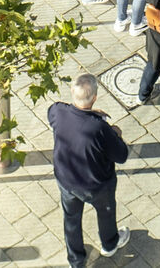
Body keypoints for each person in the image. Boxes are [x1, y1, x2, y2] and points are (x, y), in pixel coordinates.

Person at [47, 73, 130, 268]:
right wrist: (116, 133)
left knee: (71, 219)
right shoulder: (99, 128)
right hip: (97, 185)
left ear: (71, 92)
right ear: (94, 98)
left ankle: (75, 260)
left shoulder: (59, 112)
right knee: (106, 212)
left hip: (66, 181)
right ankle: (109, 244)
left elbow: (52, 115)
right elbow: (122, 155)